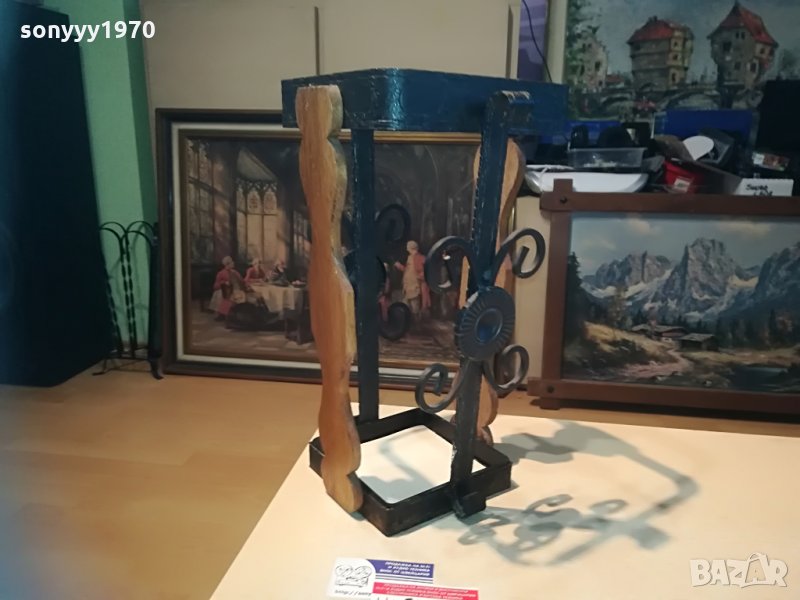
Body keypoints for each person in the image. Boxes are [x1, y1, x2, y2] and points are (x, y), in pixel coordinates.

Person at [393, 240, 430, 321]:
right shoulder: (410, 257)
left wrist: (421, 275)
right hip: (407, 287)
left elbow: (424, 271)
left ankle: (417, 322)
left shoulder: (420, 258)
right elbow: (408, 270)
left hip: (414, 287)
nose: (407, 249)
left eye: (408, 247)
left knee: (415, 307)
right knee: (406, 306)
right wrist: (400, 267)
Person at [210, 256, 248, 321]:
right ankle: (222, 314)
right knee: (222, 294)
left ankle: (235, 315)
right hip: (227, 290)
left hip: (237, 290)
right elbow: (215, 286)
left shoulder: (236, 272)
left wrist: (246, 284)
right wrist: (224, 283)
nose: (233, 263)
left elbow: (242, 281)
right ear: (227, 264)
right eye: (232, 262)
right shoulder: (221, 273)